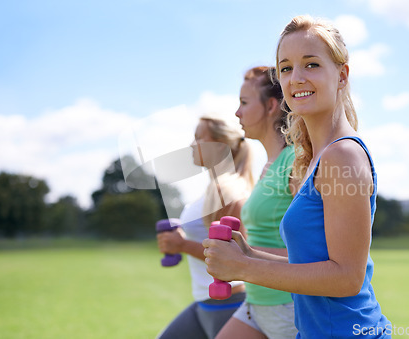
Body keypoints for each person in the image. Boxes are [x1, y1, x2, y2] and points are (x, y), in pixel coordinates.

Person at [203, 15, 392, 338]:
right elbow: (311, 261)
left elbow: (346, 278)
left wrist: (243, 268)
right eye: (286, 68)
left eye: (312, 64)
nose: (296, 78)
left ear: (342, 75)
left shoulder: (343, 155)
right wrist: (248, 254)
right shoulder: (317, 157)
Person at [215, 66, 299, 339]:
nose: (237, 113)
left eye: (244, 102)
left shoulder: (296, 162)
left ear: (271, 106)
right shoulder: (269, 166)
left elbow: (315, 256)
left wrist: (243, 255)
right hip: (255, 303)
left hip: (287, 308)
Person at [156, 112, 254, 339]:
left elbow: (236, 255)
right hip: (204, 302)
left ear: (220, 146)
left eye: (199, 138)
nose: (192, 144)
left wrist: (182, 245)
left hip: (229, 304)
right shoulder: (214, 189)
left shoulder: (226, 190)